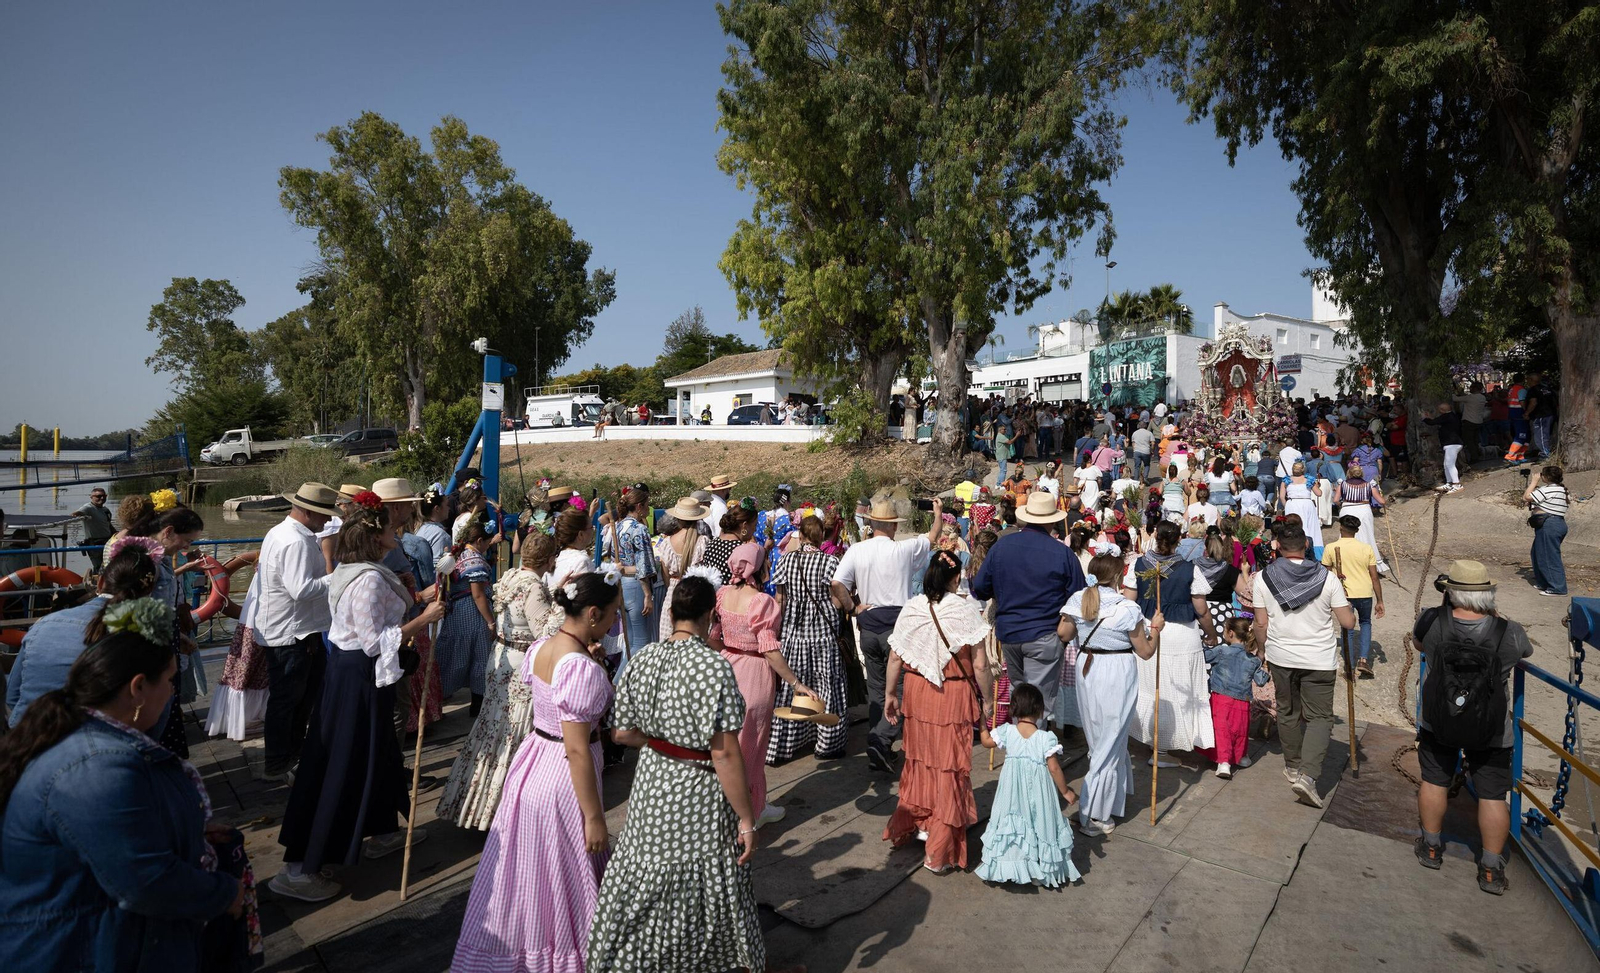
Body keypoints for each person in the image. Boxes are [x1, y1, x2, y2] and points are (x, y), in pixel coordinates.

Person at [0, 598, 244, 972]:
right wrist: (224, 893)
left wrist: (184, 827)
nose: (170, 694)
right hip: (83, 950)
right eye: (169, 681)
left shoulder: (80, 736)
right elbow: (144, 881)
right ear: (137, 688)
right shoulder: (99, 766)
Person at [587, 575, 795, 973]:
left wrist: (662, 742)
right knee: (706, 876)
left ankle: (642, 959)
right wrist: (748, 819)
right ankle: (712, 960)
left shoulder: (644, 658)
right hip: (698, 788)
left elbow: (621, 733)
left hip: (652, 782)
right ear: (708, 615)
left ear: (672, 613)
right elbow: (725, 754)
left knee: (648, 871)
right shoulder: (714, 667)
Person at [271, 507, 445, 901]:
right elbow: (372, 641)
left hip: (355, 676)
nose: (395, 533)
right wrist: (424, 618)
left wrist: (418, 597)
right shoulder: (366, 578)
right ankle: (299, 868)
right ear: (374, 537)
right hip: (357, 678)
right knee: (341, 761)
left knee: (378, 753)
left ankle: (381, 831)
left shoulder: (361, 572)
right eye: (388, 529)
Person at [451, 572, 621, 970]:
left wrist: (588, 659)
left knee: (529, 872)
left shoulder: (543, 647)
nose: (616, 622)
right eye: (613, 614)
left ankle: (524, 950)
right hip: (563, 776)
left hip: (532, 764)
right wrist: (595, 816)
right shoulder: (578, 667)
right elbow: (578, 749)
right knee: (563, 876)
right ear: (593, 613)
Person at [1411, 561, 1533, 895]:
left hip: (1440, 719)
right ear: (1488, 594)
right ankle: (1491, 869)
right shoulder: (1509, 631)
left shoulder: (1433, 622)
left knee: (1434, 780)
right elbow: (1525, 652)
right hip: (1491, 728)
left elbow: (1419, 646)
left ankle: (1432, 847)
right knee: (1493, 796)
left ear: (1449, 591)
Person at [438, 532, 562, 830]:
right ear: (547, 559)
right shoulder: (533, 586)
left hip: (500, 658)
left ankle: (474, 804)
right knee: (511, 731)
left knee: (492, 727)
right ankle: (502, 812)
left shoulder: (510, 575)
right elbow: (545, 631)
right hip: (518, 665)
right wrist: (562, 604)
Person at [883, 550, 994, 873]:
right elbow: (980, 663)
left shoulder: (913, 607)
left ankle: (918, 822)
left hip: (917, 691)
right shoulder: (964, 610)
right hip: (953, 692)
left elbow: (895, 657)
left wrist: (891, 694)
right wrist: (987, 700)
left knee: (921, 760)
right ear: (956, 577)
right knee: (948, 766)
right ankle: (939, 850)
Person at [830, 498, 941, 773]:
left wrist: (853, 608)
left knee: (878, 690)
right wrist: (937, 513)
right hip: (896, 627)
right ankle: (881, 740)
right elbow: (933, 536)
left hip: (868, 625)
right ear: (892, 526)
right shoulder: (903, 549)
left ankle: (878, 743)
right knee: (902, 690)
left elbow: (836, 583)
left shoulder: (857, 550)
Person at [1251, 522, 1355, 809]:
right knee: (1320, 717)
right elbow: (1347, 623)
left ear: (1278, 547)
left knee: (1287, 710)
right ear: (1306, 545)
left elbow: (1261, 622)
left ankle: (1294, 766)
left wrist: (1262, 650)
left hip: (1281, 655)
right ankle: (1309, 777)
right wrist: (1351, 609)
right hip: (1319, 658)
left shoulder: (1262, 578)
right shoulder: (1328, 578)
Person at [242, 482, 339, 782]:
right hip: (293, 633)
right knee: (290, 701)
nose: (326, 521)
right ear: (309, 512)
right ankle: (281, 761)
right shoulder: (295, 541)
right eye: (323, 515)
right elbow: (301, 590)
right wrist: (336, 578)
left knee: (295, 700)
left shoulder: (283, 532)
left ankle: (289, 758)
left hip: (293, 629)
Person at [1060, 554, 1163, 836]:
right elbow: (1145, 651)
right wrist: (1156, 629)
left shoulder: (1079, 599)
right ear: (1118, 577)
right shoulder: (1126, 609)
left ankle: (1109, 800)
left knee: (1101, 737)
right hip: (1117, 670)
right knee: (1109, 739)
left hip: (1088, 668)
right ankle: (1093, 814)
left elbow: (1064, 633)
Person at [716, 543, 818, 827]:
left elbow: (714, 636)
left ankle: (731, 805)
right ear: (758, 568)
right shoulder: (761, 602)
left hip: (727, 666)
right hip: (754, 671)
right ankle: (751, 810)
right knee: (752, 742)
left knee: (729, 740)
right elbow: (770, 650)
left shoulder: (722, 595)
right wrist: (797, 683)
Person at [6, 544, 158, 723]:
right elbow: (152, 712)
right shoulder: (146, 637)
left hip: (26, 735)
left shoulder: (43, 625)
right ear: (149, 592)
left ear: (100, 583)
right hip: (97, 742)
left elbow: (12, 696)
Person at [970, 492, 1086, 724]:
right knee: (1035, 705)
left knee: (1020, 697)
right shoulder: (1062, 553)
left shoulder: (1002, 547)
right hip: (1043, 633)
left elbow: (980, 588)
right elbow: (1079, 597)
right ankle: (1030, 754)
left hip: (1010, 633)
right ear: (1051, 520)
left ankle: (1020, 751)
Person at [1129, 521, 1218, 766]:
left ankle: (1155, 742)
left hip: (1150, 631)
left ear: (1156, 537)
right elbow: (1201, 609)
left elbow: (1128, 601)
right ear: (1179, 539)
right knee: (1176, 687)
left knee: (1153, 686)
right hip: (1180, 636)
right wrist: (1211, 634)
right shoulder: (1190, 568)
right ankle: (1165, 748)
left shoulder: (1138, 564)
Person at [974, 681, 1081, 887]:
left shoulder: (1007, 731)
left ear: (1013, 709)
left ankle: (1012, 865)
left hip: (1011, 790)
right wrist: (1065, 791)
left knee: (1013, 823)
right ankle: (1039, 870)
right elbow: (1054, 768)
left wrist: (982, 720)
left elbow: (986, 741)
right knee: (1039, 821)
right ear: (1040, 711)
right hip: (1040, 791)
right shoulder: (1045, 738)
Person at [769, 515, 848, 763]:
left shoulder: (786, 561)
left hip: (793, 633)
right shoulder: (829, 563)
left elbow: (779, 600)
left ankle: (784, 744)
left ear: (800, 536)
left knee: (795, 687)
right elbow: (835, 599)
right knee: (826, 685)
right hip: (823, 635)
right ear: (821, 536)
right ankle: (827, 743)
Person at [435, 519, 496, 716]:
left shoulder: (457, 554)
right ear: (479, 540)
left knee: (455, 655)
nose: (488, 546)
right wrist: (490, 621)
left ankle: (437, 700)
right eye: (487, 543)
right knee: (480, 657)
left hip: (457, 613)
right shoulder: (475, 560)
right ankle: (477, 705)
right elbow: (478, 594)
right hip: (472, 613)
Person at [1199, 618, 1269, 779]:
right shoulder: (1252, 659)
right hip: (1243, 700)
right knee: (1240, 730)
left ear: (1230, 633)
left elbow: (1203, 657)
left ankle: (1224, 762)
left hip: (1221, 697)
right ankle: (1241, 756)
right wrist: (1262, 662)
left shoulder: (1221, 651)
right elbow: (1261, 681)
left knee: (1222, 729)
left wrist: (1203, 643)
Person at [1323, 515, 1384, 677]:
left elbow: (1326, 575)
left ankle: (1349, 664)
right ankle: (1363, 660)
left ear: (1340, 528)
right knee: (1365, 623)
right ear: (1357, 531)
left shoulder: (1330, 547)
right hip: (1364, 592)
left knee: (1347, 628)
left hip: (1343, 594)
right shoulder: (1366, 548)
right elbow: (1374, 576)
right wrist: (1380, 600)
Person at [604, 487, 658, 668]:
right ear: (639, 506)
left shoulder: (617, 526)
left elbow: (611, 556)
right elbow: (643, 565)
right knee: (641, 643)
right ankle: (623, 682)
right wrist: (648, 595)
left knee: (631, 641)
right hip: (636, 586)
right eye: (647, 505)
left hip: (621, 585)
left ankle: (621, 681)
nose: (649, 509)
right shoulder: (639, 529)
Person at [653, 499, 709, 638]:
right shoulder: (702, 541)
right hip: (695, 593)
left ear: (678, 519)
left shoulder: (667, 542)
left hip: (672, 593)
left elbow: (665, 575)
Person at [1335, 463, 1388, 576]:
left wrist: (1341, 505)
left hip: (1347, 509)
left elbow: (1335, 500)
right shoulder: (1369, 485)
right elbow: (1382, 501)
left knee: (1346, 535)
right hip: (1364, 510)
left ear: (1349, 473)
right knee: (1367, 535)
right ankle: (1369, 563)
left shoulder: (1342, 484)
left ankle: (1346, 561)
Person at [1524, 466, 1569, 597]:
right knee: (1538, 553)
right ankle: (1544, 582)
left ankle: (1557, 588)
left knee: (1549, 556)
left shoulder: (1548, 489)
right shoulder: (1561, 490)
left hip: (1549, 525)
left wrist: (1533, 482)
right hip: (1556, 524)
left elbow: (1526, 497)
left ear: (1546, 477)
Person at [1278, 461, 1323, 559]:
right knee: (1310, 527)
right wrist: (1318, 486)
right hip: (1306, 504)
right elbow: (1319, 493)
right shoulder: (1309, 480)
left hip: (1292, 503)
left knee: (1291, 526)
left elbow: (1282, 497)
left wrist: (1287, 506)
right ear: (1303, 469)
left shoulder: (1286, 480)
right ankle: (1312, 551)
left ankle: (1291, 548)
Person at [1423, 401, 1465, 493]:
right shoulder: (1451, 416)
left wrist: (1425, 418)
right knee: (1446, 465)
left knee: (1450, 464)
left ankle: (1456, 484)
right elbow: (1438, 420)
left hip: (1452, 443)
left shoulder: (1446, 416)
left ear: (1442, 410)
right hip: (1452, 443)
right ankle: (1449, 483)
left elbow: (1432, 422)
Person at [72, 487, 114, 574]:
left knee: (111, 565)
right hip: (94, 542)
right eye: (98, 496)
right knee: (99, 566)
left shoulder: (106, 510)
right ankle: (97, 582)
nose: (102, 498)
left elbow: (108, 525)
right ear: (92, 497)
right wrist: (79, 515)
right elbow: (75, 514)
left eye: (104, 496)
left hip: (108, 541)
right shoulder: (89, 508)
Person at [1454, 382, 1489, 465]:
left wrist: (1455, 393)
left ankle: (1474, 457)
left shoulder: (1470, 397)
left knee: (1469, 440)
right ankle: (1477, 453)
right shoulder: (1482, 397)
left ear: (1475, 388)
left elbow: (1455, 399)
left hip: (1469, 421)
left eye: (1471, 387)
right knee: (1475, 439)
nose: (1470, 389)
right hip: (1478, 421)